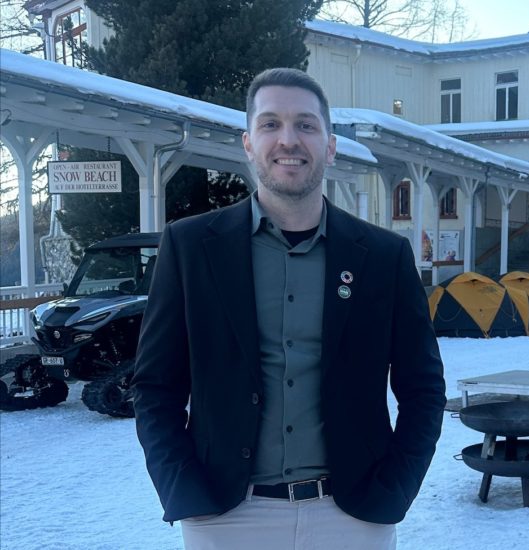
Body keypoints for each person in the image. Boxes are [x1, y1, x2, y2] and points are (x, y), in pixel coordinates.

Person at [132, 68, 446, 549]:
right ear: (248, 143)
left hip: (353, 517)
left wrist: (393, 491)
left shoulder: (384, 257)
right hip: (226, 517)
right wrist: (184, 491)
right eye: (270, 124)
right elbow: (155, 386)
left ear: (330, 144)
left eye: (306, 124)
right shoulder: (191, 247)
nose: (288, 140)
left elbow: (423, 390)